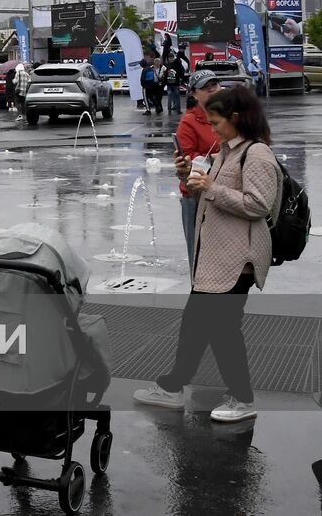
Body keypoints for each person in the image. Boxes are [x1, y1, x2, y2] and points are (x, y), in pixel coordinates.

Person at [134, 85, 278, 424]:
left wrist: (211, 188)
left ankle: (242, 398)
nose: (211, 129)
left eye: (215, 122)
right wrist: (188, 175)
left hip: (235, 260)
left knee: (223, 330)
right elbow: (208, 191)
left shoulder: (256, 154)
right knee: (195, 324)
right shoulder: (227, 150)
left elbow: (258, 205)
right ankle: (172, 386)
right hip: (215, 260)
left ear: (236, 118)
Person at [175, 70, 223, 266]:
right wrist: (214, 158)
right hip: (196, 196)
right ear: (194, 93)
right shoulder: (188, 122)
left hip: (223, 193)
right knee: (199, 257)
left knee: (223, 257)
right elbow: (186, 157)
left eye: (215, 85)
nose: (212, 89)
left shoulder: (229, 114)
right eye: (206, 87)